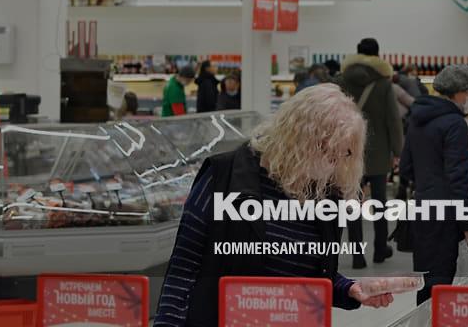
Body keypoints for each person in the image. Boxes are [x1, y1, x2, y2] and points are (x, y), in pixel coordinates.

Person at [155, 85, 393, 327]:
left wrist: (349, 288)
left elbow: (312, 276)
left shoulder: (325, 195)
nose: (332, 164)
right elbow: (184, 268)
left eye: (342, 155)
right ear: (296, 137)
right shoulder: (224, 177)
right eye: (325, 150)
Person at [400, 65, 468, 305]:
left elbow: (405, 168)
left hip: (422, 208)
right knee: (442, 280)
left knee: (426, 280)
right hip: (445, 214)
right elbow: (459, 178)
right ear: (458, 92)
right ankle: (435, 320)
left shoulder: (417, 118)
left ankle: (423, 320)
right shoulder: (455, 124)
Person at [336, 38, 403, 269]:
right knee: (380, 202)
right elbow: (393, 120)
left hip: (348, 151)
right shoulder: (383, 84)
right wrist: (398, 151)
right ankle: (380, 249)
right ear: (377, 54)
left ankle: (357, 255)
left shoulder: (341, 81)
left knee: (352, 202)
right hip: (378, 152)